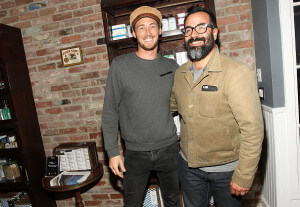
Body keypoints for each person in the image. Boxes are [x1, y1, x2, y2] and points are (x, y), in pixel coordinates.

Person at [170, 5, 264, 207]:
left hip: (227, 173)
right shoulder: (179, 74)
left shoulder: (235, 73)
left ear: (214, 32)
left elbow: (253, 130)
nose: (194, 34)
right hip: (189, 169)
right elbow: (169, 106)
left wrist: (244, 175)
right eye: (188, 30)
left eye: (201, 27)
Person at [102, 6, 180, 207]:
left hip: (169, 149)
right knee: (132, 203)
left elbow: (186, 107)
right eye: (142, 27)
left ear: (160, 31)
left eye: (153, 26)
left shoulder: (172, 67)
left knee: (173, 201)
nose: (148, 32)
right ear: (134, 33)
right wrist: (112, 152)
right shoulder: (119, 66)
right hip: (135, 154)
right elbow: (110, 112)